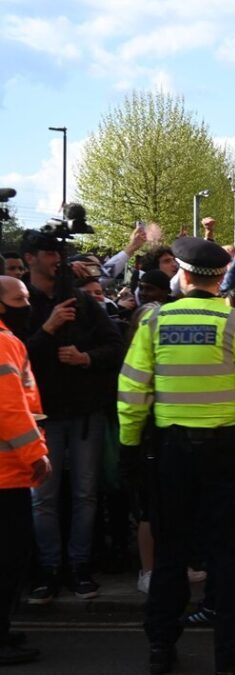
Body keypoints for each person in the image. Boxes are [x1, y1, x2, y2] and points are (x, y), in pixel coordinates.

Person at [118, 236, 235, 675]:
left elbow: (133, 391)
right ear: (219, 279)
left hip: (170, 454)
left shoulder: (154, 323)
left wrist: (129, 445)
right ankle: (231, 654)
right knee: (228, 556)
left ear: (183, 274)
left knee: (171, 553)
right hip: (225, 455)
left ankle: (161, 647)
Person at [19, 231, 123, 604]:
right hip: (41, 416)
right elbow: (15, 355)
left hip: (83, 415)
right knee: (42, 497)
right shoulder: (21, 303)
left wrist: (86, 358)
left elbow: (115, 346)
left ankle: (79, 566)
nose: (56, 259)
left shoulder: (81, 301)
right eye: (48, 252)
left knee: (85, 494)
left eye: (58, 252)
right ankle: (49, 569)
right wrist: (47, 330)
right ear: (30, 258)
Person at [0, 276, 52, 666]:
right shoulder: (4, 342)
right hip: (6, 473)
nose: (28, 305)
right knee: (8, 560)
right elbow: (10, 407)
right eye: (20, 299)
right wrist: (36, 455)